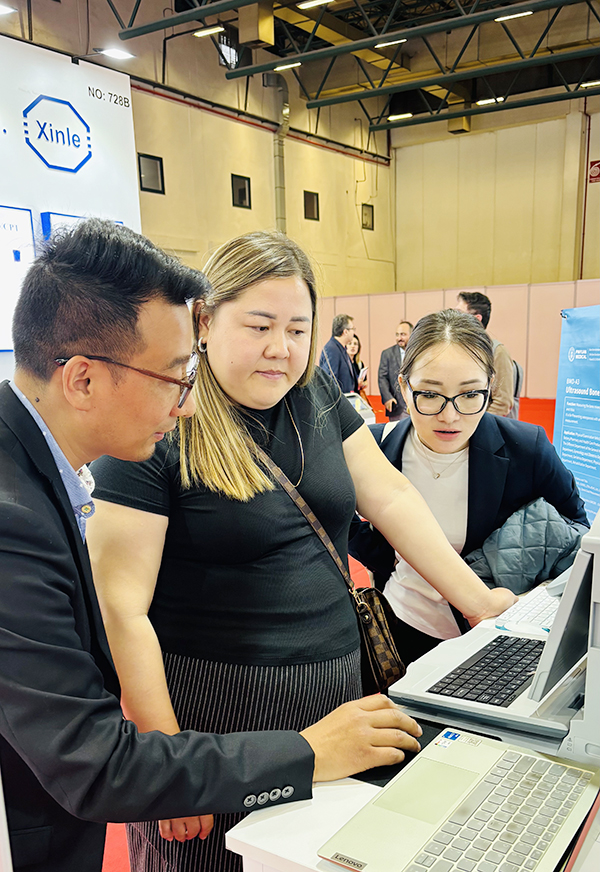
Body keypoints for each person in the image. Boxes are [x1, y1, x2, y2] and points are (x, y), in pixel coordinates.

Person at [0, 220, 425, 872]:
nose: (188, 404)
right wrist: (309, 752)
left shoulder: (34, 470)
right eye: (175, 376)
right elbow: (94, 761)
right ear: (82, 380)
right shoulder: (15, 522)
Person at [87, 232, 517, 872]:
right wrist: (168, 759)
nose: (280, 349)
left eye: (297, 329)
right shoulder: (161, 421)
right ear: (205, 321)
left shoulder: (315, 394)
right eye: (259, 326)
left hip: (336, 695)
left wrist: (479, 602)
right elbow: (121, 608)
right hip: (217, 715)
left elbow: (390, 496)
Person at [349, 309, 588, 664]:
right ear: (404, 386)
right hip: (402, 626)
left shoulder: (526, 448)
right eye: (430, 394)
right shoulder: (374, 448)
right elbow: (339, 516)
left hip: (494, 637)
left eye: (470, 394)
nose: (450, 416)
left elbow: (578, 534)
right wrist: (395, 558)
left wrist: (527, 600)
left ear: (490, 386)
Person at [455, 292, 516, 417]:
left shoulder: (497, 352)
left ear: (477, 319)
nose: (454, 317)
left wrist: (476, 425)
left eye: (459, 313)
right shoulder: (458, 350)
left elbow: (502, 403)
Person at [378, 321, 413, 421]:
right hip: (396, 405)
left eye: (403, 334)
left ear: (412, 334)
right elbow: (382, 378)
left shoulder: (418, 353)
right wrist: (387, 398)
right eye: (397, 334)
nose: (399, 338)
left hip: (414, 403)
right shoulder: (387, 354)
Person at [318, 313, 357, 393]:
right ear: (345, 332)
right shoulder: (331, 349)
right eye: (352, 329)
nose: (354, 332)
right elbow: (329, 381)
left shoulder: (341, 348)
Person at [346, 334, 370, 404]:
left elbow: (365, 382)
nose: (353, 346)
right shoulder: (343, 364)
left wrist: (362, 384)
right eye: (350, 344)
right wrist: (356, 383)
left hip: (357, 397)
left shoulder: (359, 363)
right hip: (347, 397)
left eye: (355, 344)